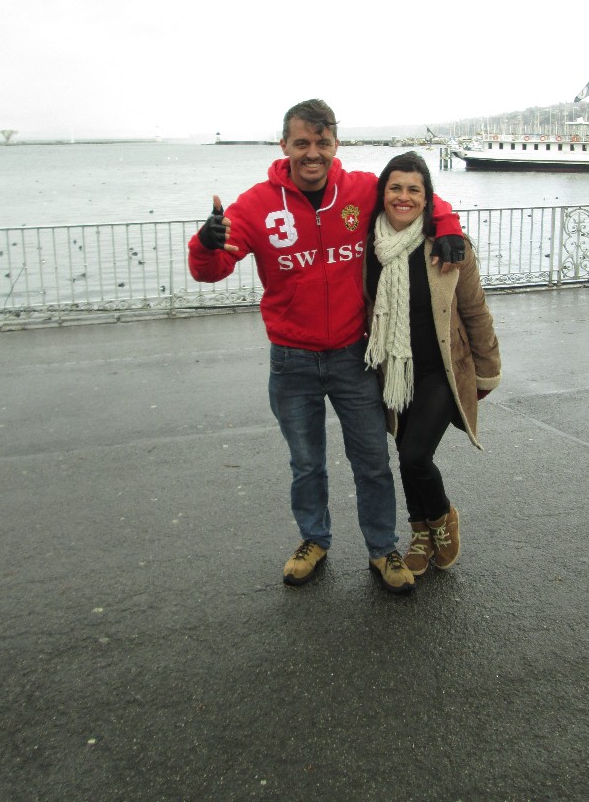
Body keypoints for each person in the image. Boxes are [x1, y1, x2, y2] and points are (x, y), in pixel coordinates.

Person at [187, 99, 465, 595]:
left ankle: (382, 547)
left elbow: (418, 196)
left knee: (372, 461)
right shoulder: (255, 204)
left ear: (336, 143)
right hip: (291, 359)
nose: (312, 152)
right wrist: (205, 244)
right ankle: (313, 540)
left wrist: (446, 226)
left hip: (352, 355)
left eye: (321, 142)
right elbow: (212, 271)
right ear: (284, 145)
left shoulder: (359, 189)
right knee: (306, 463)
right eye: (302, 143)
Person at [363, 151, 501, 576]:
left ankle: (441, 518)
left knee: (414, 456)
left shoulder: (448, 245)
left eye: (414, 189)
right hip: (395, 371)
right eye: (395, 188)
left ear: (427, 198)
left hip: (443, 369)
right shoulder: (369, 246)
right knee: (405, 452)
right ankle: (420, 533)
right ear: (382, 193)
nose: (403, 197)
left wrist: (487, 370)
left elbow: (475, 310)